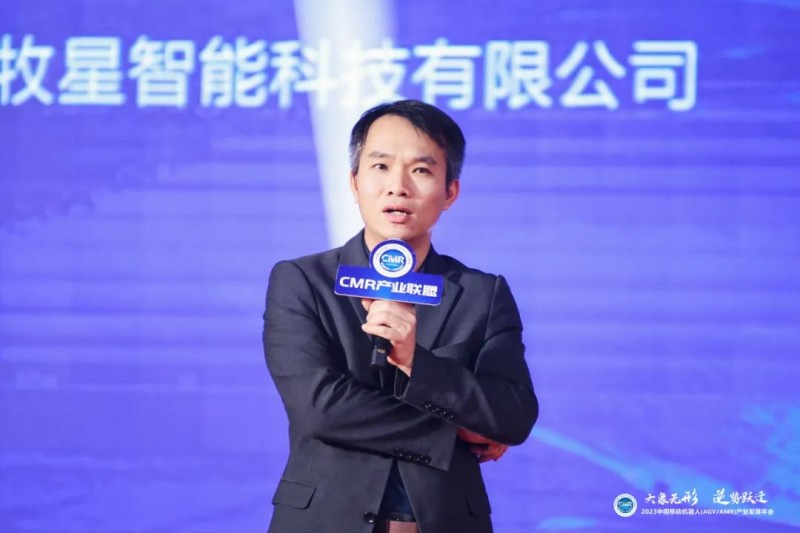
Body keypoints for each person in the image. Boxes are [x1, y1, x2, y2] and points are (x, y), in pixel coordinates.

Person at [263, 99, 538, 533]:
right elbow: (320, 408)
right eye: (380, 166)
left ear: (450, 192)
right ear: (354, 183)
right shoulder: (303, 281)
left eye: (421, 170)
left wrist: (416, 363)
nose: (398, 186)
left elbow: (513, 416)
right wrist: (453, 430)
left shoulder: (482, 294)